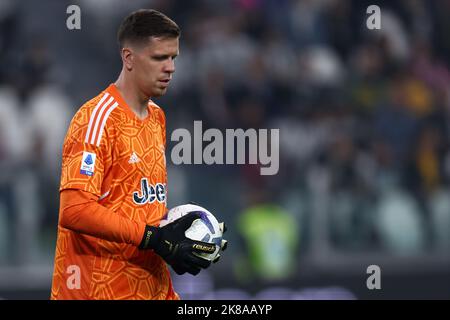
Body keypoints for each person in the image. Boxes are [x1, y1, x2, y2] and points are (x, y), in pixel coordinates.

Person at [50, 9, 226, 300]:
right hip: (97, 291)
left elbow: (136, 203)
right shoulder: (96, 119)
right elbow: (74, 210)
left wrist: (185, 236)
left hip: (149, 288)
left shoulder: (156, 116)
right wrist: (153, 238)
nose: (170, 68)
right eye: (159, 58)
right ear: (129, 58)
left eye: (173, 58)